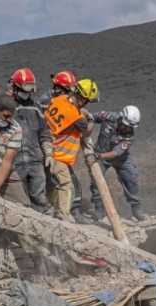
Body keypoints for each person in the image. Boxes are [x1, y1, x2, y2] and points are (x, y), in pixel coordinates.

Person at [44, 79, 99, 222]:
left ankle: (57, 210)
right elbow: (87, 131)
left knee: (53, 185)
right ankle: (63, 214)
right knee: (66, 184)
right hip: (59, 155)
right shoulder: (74, 116)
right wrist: (91, 119)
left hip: (48, 147)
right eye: (87, 101)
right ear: (81, 98)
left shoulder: (59, 99)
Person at [88, 106, 148, 221]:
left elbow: (116, 152)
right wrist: (87, 125)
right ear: (121, 117)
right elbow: (91, 117)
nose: (127, 129)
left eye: (130, 127)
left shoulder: (129, 136)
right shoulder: (109, 116)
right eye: (126, 125)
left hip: (120, 158)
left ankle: (136, 210)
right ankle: (99, 210)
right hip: (101, 154)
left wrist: (98, 156)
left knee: (131, 178)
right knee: (96, 180)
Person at [8, 68, 53, 211]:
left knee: (39, 199)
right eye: (24, 91)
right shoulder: (5, 106)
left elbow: (44, 132)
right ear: (14, 87)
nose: (27, 95)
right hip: (13, 163)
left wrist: (48, 152)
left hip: (35, 161)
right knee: (18, 201)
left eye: (29, 91)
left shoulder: (36, 108)